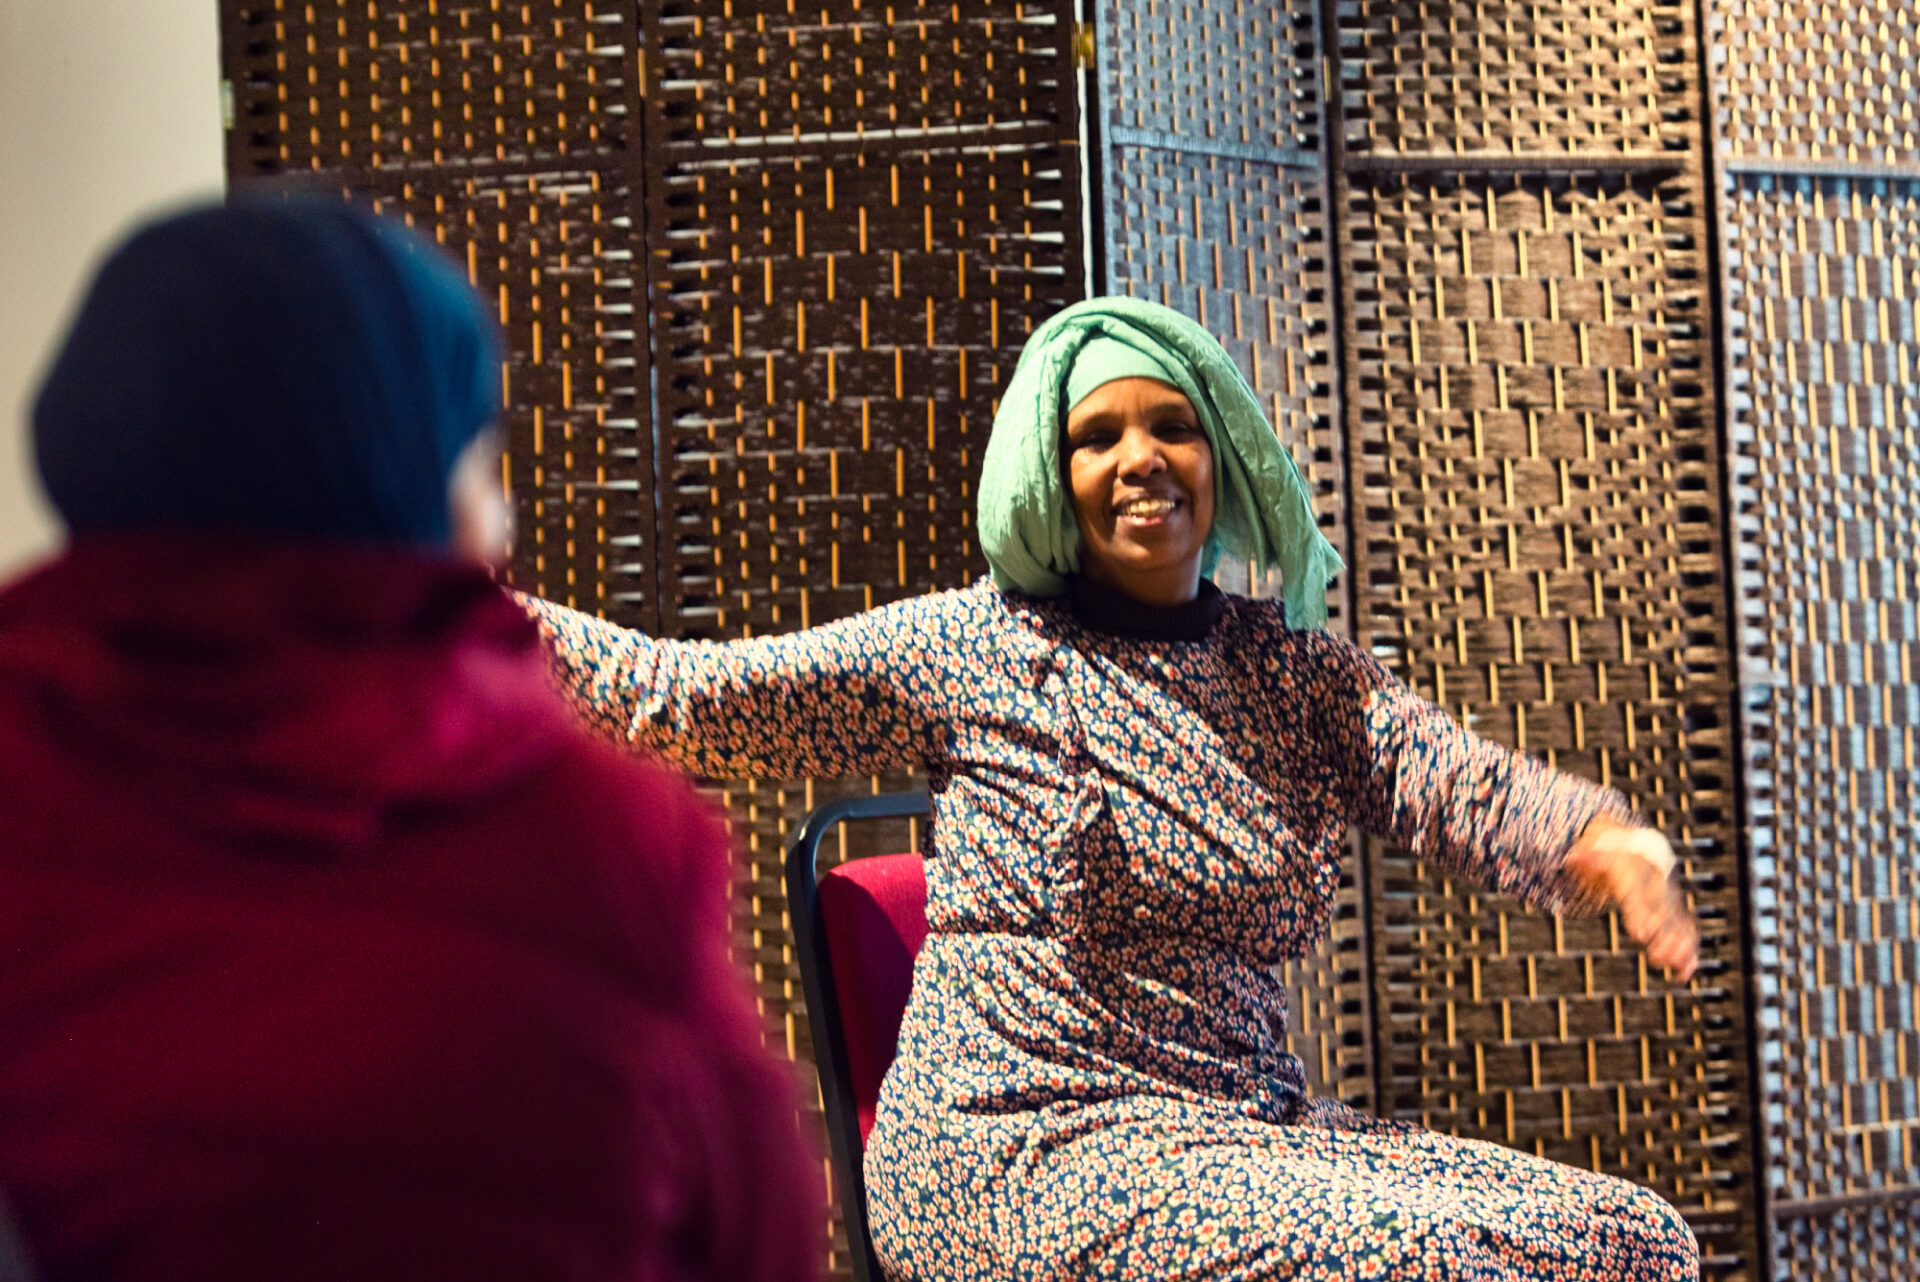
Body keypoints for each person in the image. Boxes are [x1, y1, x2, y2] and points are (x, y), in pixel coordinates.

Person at [519, 297, 1702, 1281]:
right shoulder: (968, 649)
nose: (1139, 459)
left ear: (1218, 455)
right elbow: (681, 699)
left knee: (1637, 1242)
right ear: (1053, 471)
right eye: (1097, 437)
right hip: (1021, 1149)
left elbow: (1457, 783)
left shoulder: (1293, 673)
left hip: (1245, 1130)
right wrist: (451, 594)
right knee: (1434, 1263)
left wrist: (1604, 843)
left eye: (1170, 427)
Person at [0, 198, 820, 1282]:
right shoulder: (603, 845)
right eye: (479, 462)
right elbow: (759, 1239)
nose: (505, 520)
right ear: (393, 475)